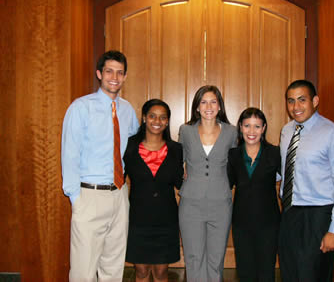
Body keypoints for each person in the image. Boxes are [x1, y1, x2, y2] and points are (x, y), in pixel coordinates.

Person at [61, 50, 139, 282]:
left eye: (120, 72)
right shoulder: (80, 108)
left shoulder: (127, 111)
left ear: (125, 77)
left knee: (113, 268)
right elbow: (69, 155)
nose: (114, 77)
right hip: (89, 195)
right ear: (99, 74)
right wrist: (77, 199)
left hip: (119, 196)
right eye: (109, 71)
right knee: (83, 271)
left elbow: (135, 147)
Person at [278, 80, 334, 282]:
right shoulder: (287, 131)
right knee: (290, 274)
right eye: (291, 101)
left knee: (312, 276)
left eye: (302, 100)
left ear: (315, 101)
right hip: (289, 214)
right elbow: (286, 170)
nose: (296, 107)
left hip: (318, 216)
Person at [178, 85, 237, 282]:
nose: (208, 106)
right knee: (194, 258)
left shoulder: (231, 132)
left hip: (220, 203)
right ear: (197, 107)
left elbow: (237, 163)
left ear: (220, 106)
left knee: (216, 258)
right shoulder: (185, 131)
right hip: (191, 203)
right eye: (203, 102)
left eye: (213, 101)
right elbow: (180, 161)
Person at [123, 99, 183, 282]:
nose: (157, 121)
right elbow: (119, 177)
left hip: (166, 220)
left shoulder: (176, 149)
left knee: (161, 273)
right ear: (144, 118)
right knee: (141, 272)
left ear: (167, 122)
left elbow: (180, 182)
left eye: (163, 117)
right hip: (138, 220)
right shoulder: (130, 146)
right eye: (152, 116)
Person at [227, 108, 281, 282]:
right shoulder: (233, 155)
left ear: (264, 128)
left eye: (257, 126)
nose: (251, 131)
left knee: (266, 271)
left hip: (269, 223)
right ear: (240, 127)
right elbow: (226, 184)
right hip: (241, 223)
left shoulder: (275, 153)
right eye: (247, 126)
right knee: (245, 271)